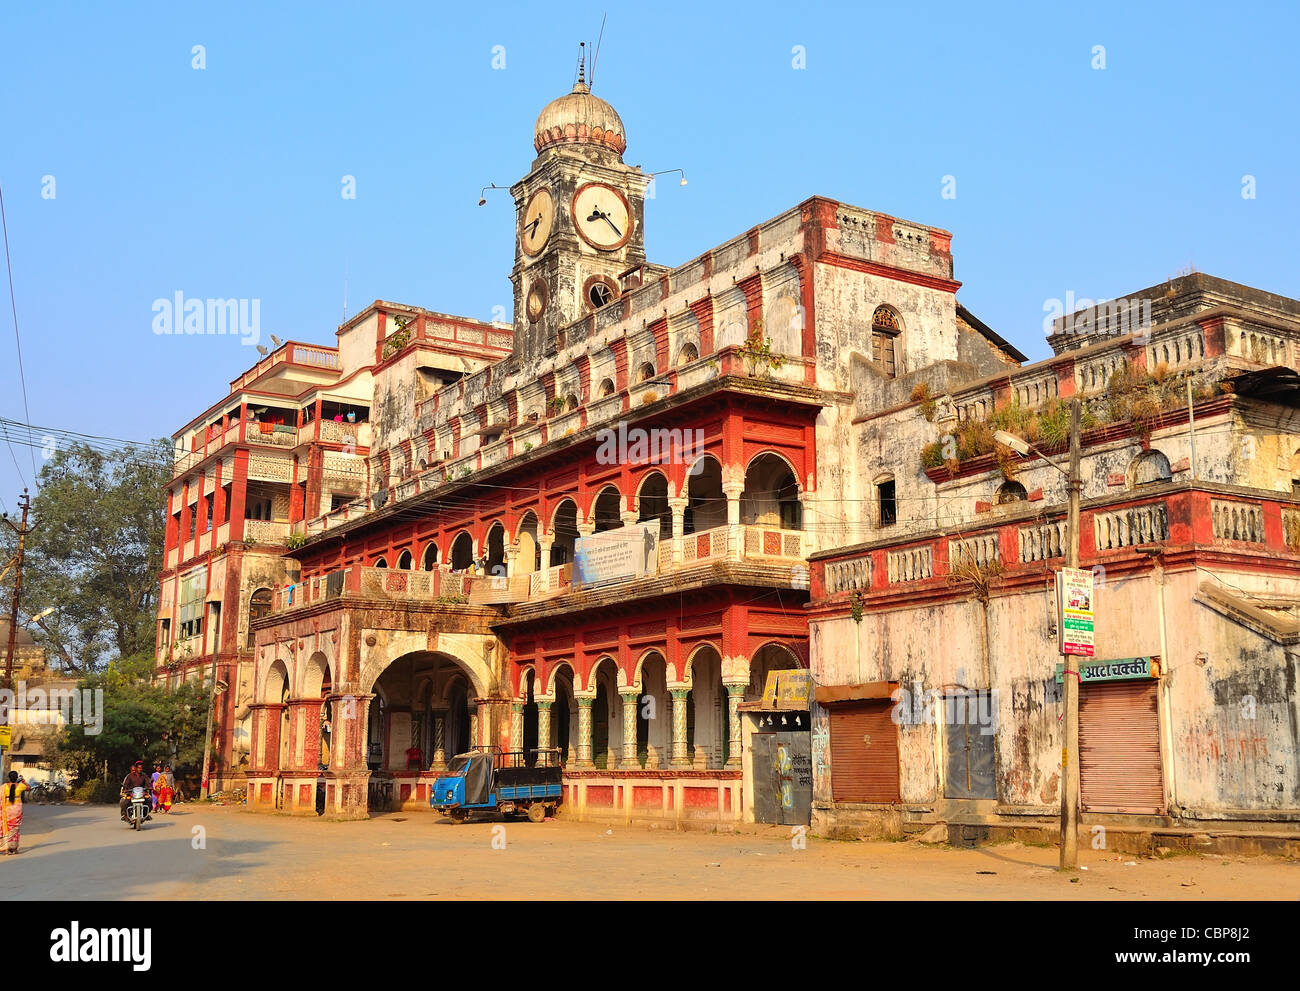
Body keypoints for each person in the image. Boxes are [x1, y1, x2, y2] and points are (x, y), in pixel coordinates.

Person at [2, 771, 27, 855]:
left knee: (6, 829)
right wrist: (23, 780)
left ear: (9, 777)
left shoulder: (3, 787)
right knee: (15, 829)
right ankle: (14, 849)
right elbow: (29, 787)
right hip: (17, 810)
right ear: (16, 778)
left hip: (7, 809)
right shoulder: (20, 786)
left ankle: (6, 848)